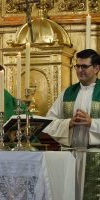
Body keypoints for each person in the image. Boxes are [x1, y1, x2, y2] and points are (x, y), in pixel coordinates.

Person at [43, 49, 100, 200]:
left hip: (95, 156)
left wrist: (92, 123)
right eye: (77, 66)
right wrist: (68, 123)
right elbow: (48, 122)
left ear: (96, 68)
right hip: (69, 157)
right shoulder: (68, 92)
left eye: (84, 66)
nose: (80, 70)